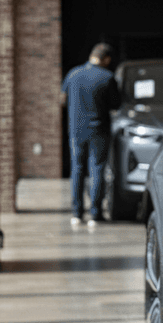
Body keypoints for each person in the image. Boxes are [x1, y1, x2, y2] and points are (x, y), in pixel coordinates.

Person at [61, 42, 119, 227]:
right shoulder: (108, 77)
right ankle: (95, 214)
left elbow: (63, 100)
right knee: (97, 169)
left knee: (77, 169)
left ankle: (76, 214)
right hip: (99, 130)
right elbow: (116, 104)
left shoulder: (73, 74)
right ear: (106, 59)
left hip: (76, 130)